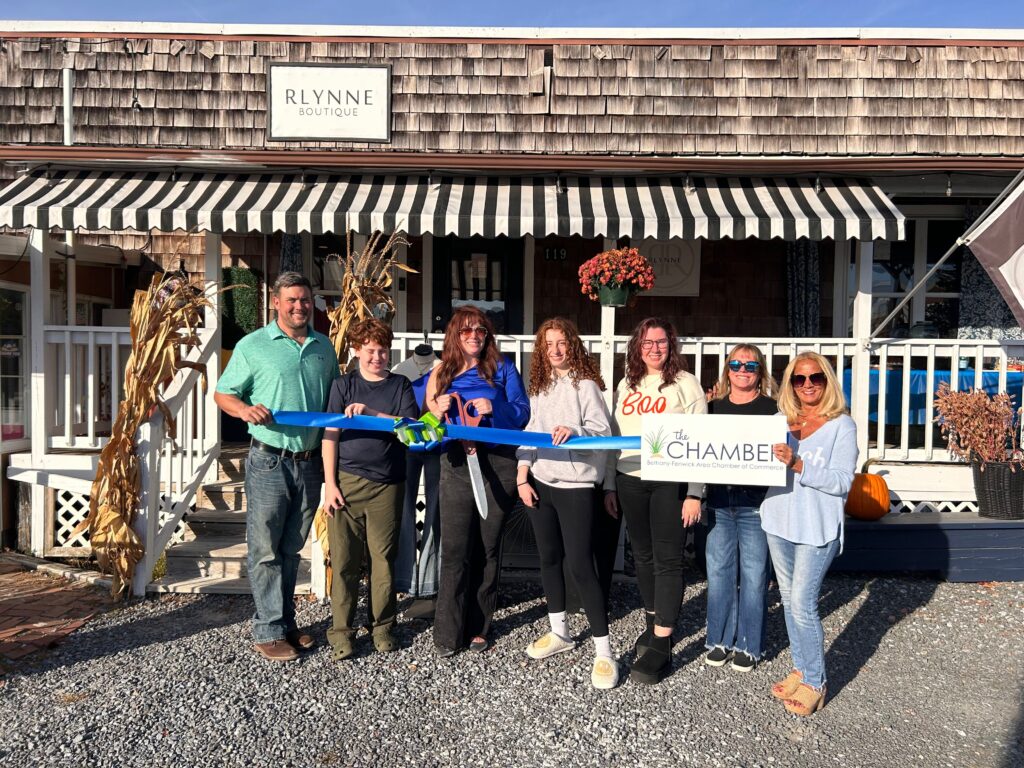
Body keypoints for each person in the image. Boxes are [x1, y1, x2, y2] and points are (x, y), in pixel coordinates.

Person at [214, 272, 339, 662]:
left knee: (290, 547)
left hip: (310, 462)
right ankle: (267, 629)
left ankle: (285, 623)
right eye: (291, 300)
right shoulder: (253, 346)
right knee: (265, 548)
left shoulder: (324, 347)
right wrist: (244, 410)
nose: (299, 306)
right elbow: (223, 393)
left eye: (304, 300)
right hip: (269, 459)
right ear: (275, 302)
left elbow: (334, 398)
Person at [515, 318, 618, 690]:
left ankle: (604, 651)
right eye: (548, 344)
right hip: (542, 482)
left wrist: (575, 432)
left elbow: (603, 432)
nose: (555, 349)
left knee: (580, 565)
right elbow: (530, 429)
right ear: (541, 350)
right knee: (548, 559)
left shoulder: (585, 383)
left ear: (572, 345)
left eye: (561, 343)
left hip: (576, 486)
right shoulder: (540, 385)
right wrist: (522, 472)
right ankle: (559, 631)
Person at [604, 317, 706, 685]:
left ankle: (664, 641)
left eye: (661, 342)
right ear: (637, 347)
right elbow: (613, 436)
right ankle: (652, 622)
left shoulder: (685, 383)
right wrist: (608, 485)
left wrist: (695, 492)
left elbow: (701, 439)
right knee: (642, 556)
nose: (655, 349)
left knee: (667, 558)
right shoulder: (626, 384)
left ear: (671, 344)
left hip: (668, 481)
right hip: (629, 478)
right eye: (647, 343)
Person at [425, 306, 530, 657]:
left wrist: (494, 408)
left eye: (480, 331)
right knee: (455, 550)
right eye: (467, 331)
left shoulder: (503, 369)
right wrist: (435, 412)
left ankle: (479, 626)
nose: (474, 336)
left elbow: (522, 411)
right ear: (455, 335)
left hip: (498, 462)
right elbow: (423, 426)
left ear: (487, 336)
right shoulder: (441, 372)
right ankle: (447, 632)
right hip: (456, 463)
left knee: (487, 548)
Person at [762, 351, 857, 716]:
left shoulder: (841, 425)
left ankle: (816, 682)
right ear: (790, 384)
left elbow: (842, 482)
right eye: (798, 379)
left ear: (827, 381)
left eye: (815, 378)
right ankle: (801, 669)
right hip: (778, 519)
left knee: (803, 604)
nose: (807, 385)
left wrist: (798, 463)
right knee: (788, 599)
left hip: (816, 526)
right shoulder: (778, 420)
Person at [321, 318, 419, 660]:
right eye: (370, 351)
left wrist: (371, 413)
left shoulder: (400, 386)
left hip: (388, 485)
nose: (377, 357)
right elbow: (329, 435)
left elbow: (409, 430)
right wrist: (329, 484)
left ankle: (383, 627)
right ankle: (342, 633)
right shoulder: (342, 385)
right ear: (357, 350)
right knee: (345, 560)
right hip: (346, 481)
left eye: (383, 350)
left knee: (383, 561)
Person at [703, 344, 779, 673]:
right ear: (727, 370)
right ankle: (718, 639)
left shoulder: (773, 410)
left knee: (753, 575)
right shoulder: (711, 409)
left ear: (760, 372)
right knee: (719, 573)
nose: (742, 370)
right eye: (736, 364)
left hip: (756, 503)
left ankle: (749, 643)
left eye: (750, 365)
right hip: (719, 500)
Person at [393, 344, 442, 620]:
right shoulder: (400, 372)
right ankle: (404, 579)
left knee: (436, 516)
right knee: (403, 512)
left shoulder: (444, 370)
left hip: (437, 448)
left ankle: (430, 585)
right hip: (406, 448)